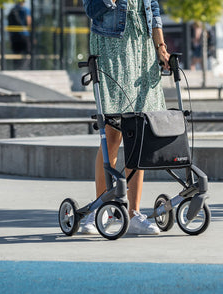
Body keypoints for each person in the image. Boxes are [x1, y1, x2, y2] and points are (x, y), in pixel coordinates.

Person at [81, 0, 170, 235]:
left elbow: (153, 10)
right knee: (112, 134)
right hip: (112, 49)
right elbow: (91, 9)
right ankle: (100, 209)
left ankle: (134, 213)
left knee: (137, 133)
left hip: (142, 50)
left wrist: (160, 46)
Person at [8, 0, 31, 69]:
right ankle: (23, 69)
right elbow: (28, 22)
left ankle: (16, 69)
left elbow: (9, 25)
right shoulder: (26, 10)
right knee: (28, 54)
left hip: (14, 36)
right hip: (24, 35)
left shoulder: (12, 10)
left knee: (16, 55)